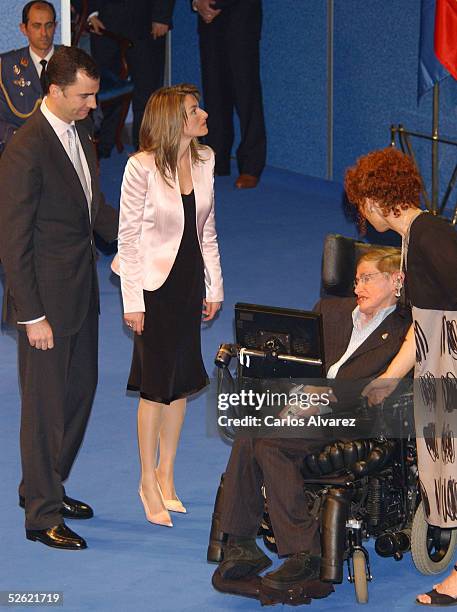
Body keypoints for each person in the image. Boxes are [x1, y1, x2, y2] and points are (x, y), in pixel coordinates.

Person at [214, 248, 410, 598]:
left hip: (354, 417)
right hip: (304, 405)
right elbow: (300, 360)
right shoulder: (330, 311)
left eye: (367, 278)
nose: (358, 286)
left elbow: (380, 388)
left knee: (270, 444)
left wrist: (324, 399)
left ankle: (304, 551)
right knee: (249, 434)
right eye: (355, 279)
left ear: (396, 281)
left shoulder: (403, 332)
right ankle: (242, 543)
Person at [0, 46, 118, 550]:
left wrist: (142, 243)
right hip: (45, 303)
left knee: (79, 393)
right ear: (55, 92)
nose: (93, 105)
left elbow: (93, 210)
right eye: (84, 96)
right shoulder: (26, 147)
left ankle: (43, 484)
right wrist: (32, 314)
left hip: (81, 292)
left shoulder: (81, 134)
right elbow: (13, 238)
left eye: (93, 94)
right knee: (45, 407)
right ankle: (40, 515)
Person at [344, 147, 457, 606]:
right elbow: (423, 322)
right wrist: (391, 375)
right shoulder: (416, 237)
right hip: (437, 365)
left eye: (360, 205)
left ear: (374, 199)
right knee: (444, 469)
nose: (362, 215)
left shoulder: (429, 235)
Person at [115, 83, 223, 528]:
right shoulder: (139, 167)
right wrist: (133, 300)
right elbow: (127, 238)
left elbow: (208, 228)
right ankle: (145, 479)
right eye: (194, 110)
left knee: (182, 380)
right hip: (152, 286)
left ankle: (167, 473)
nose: (203, 115)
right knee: (156, 385)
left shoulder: (205, 159)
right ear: (173, 120)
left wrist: (214, 286)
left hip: (187, 283)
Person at [193, 0, 266, 189]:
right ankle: (217, 158)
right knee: (213, 92)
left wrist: (215, 3)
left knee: (246, 94)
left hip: (240, 20)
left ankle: (251, 166)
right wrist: (197, 2)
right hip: (208, 24)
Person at [88, 0, 176, 156]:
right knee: (103, 90)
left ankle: (145, 149)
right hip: (103, 24)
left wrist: (162, 16)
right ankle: (102, 146)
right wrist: (90, 12)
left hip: (146, 23)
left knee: (147, 92)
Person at [0, 1, 57, 153]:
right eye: (37, 26)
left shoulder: (72, 61)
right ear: (24, 29)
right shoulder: (5, 66)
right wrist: (17, 139)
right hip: (19, 148)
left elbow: (92, 113)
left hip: (62, 148)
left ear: (55, 26)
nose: (44, 33)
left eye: (49, 25)